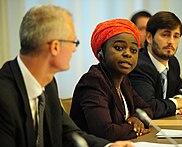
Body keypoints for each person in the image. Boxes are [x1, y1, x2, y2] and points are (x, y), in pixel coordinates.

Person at [0, 4, 134, 147]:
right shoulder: (4, 97)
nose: (74, 49)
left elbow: (69, 133)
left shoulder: (48, 83)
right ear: (55, 47)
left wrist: (108, 146)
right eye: (73, 42)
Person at [69, 18, 153, 142]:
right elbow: (105, 132)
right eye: (119, 48)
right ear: (101, 53)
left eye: (133, 50)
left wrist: (137, 118)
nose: (128, 54)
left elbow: (146, 109)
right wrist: (135, 128)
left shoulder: (123, 81)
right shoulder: (93, 81)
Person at [128, 11, 182, 119]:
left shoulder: (173, 62)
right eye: (165, 35)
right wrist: (176, 103)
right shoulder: (139, 65)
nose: (171, 41)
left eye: (176, 36)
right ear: (149, 37)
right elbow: (149, 107)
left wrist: (179, 99)